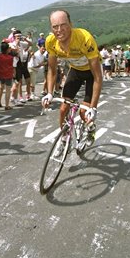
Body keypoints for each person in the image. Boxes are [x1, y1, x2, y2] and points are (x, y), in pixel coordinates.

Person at [42, 10, 103, 154]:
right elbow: (52, 70)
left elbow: (98, 78)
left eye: (63, 25)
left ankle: (90, 130)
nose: (59, 30)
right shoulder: (50, 41)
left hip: (91, 74)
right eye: (55, 26)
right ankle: (64, 138)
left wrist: (93, 108)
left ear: (71, 24)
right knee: (63, 109)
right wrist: (49, 93)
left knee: (84, 112)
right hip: (75, 71)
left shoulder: (84, 38)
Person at [0, 42, 14, 110]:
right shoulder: (10, 57)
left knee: (0, 87)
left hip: (0, 74)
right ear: (6, 49)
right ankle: (7, 105)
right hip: (8, 74)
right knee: (8, 90)